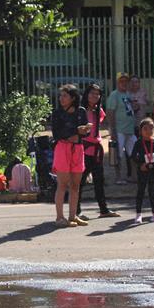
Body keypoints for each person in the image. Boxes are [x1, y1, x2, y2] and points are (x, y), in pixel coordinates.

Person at [51, 84, 92, 228]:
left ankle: (73, 216)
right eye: (60, 96)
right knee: (62, 184)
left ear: (73, 98)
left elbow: (86, 132)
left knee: (75, 185)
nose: (61, 99)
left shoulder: (81, 111)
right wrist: (75, 131)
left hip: (78, 149)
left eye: (65, 96)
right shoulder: (57, 113)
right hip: (63, 149)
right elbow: (57, 134)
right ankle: (59, 217)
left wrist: (85, 130)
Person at [77, 83, 120, 219]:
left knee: (99, 180)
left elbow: (102, 122)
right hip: (83, 150)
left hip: (96, 151)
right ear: (86, 94)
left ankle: (103, 209)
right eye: (92, 93)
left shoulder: (98, 110)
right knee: (80, 182)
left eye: (97, 94)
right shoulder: (80, 110)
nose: (95, 96)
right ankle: (76, 211)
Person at [130, 118, 154, 224]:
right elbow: (133, 157)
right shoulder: (138, 143)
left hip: (153, 170)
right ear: (140, 131)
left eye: (151, 128)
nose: (149, 131)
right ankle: (138, 214)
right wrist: (140, 165)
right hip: (143, 171)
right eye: (145, 129)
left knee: (153, 192)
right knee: (141, 191)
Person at [106, 72, 137, 185]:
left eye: (126, 81)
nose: (124, 83)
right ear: (118, 82)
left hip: (129, 130)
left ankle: (134, 176)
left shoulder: (128, 94)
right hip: (119, 130)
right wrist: (112, 130)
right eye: (121, 81)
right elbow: (110, 113)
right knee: (118, 154)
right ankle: (118, 177)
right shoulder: (114, 95)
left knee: (134, 153)